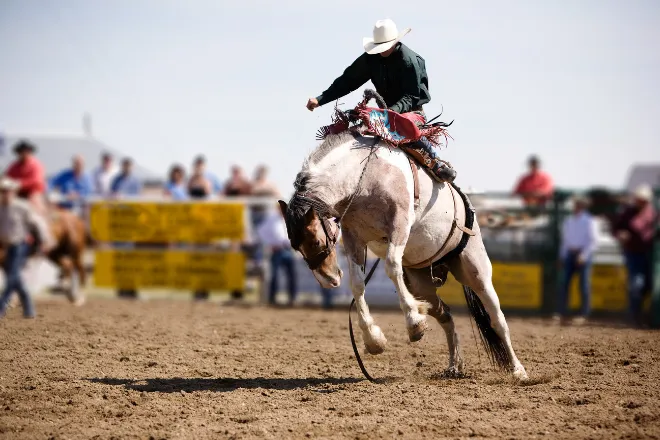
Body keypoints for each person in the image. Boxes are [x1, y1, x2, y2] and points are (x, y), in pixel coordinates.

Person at [306, 19, 455, 183]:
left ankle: (435, 163)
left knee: (406, 129)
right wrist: (320, 100)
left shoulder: (410, 61)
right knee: (350, 126)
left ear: (395, 42)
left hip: (411, 113)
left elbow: (411, 96)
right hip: (383, 115)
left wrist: (388, 113)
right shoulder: (371, 58)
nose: (381, 51)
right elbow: (347, 81)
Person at [0, 177, 49, 318]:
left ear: (13, 192)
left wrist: (43, 241)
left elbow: (37, 224)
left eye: (8, 191)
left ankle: (1, 307)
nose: (5, 194)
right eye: (3, 191)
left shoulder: (22, 207)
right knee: (16, 279)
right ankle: (29, 309)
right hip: (7, 247)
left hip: (20, 245)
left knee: (11, 277)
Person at [612, 184, 657, 327]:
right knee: (637, 284)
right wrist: (620, 234)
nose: (640, 202)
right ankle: (634, 317)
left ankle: (645, 316)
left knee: (650, 286)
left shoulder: (653, 213)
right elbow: (616, 228)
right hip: (633, 253)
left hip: (651, 255)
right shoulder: (628, 213)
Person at [554, 196, 597, 325]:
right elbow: (565, 241)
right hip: (570, 254)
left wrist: (584, 255)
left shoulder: (590, 221)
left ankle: (584, 314)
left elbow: (593, 241)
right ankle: (562, 312)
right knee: (565, 284)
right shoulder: (569, 220)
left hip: (583, 255)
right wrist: (562, 256)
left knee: (583, 285)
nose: (575, 206)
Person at [256, 206, 297, 306]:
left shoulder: (290, 219)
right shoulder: (271, 219)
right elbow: (261, 232)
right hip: (277, 250)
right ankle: (272, 298)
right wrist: (269, 244)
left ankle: (292, 298)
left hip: (288, 249)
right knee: (275, 276)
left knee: (291, 276)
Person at [5, 140, 47, 214]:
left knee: (35, 205)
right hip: (16, 192)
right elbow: (8, 177)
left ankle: (38, 222)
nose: (23, 154)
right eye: (20, 152)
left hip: (32, 192)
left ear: (30, 152)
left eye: (25, 151)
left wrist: (20, 183)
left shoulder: (36, 165)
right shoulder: (13, 166)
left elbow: (37, 181)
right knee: (5, 201)